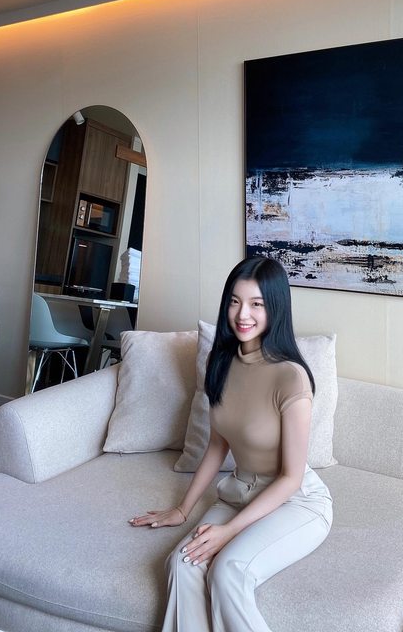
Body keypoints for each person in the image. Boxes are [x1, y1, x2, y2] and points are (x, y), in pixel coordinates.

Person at [129, 256, 333, 632]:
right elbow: (217, 445)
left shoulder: (291, 378)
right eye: (235, 301)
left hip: (296, 501)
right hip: (239, 493)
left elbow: (290, 478)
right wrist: (183, 509)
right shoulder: (221, 362)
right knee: (182, 563)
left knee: (228, 571)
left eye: (257, 304)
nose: (243, 314)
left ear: (276, 308)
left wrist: (230, 531)